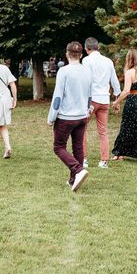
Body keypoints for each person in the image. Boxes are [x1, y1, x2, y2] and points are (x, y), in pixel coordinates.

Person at [48, 41, 93, 192]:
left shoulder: (64, 71)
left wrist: (51, 117)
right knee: (78, 147)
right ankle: (74, 179)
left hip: (66, 116)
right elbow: (89, 94)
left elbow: (57, 97)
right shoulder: (87, 71)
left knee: (58, 147)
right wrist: (88, 109)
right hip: (82, 115)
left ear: (67, 54)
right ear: (81, 55)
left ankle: (78, 170)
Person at [82, 37, 121, 169]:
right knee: (103, 132)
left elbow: (85, 80)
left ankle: (84, 159)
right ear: (98, 47)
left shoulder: (86, 61)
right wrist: (117, 97)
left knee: (82, 129)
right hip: (104, 100)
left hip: (91, 99)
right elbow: (114, 80)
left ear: (86, 48)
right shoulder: (108, 61)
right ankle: (104, 161)